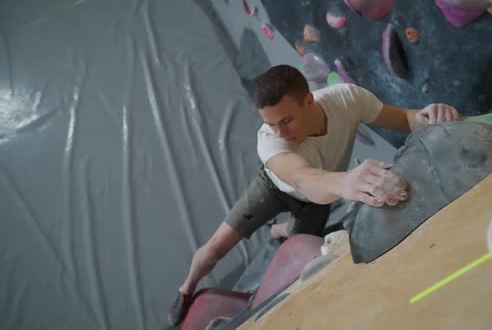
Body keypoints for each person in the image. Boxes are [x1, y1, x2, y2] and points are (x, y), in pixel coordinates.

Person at [168, 65, 461, 326]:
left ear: (309, 100)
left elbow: (405, 119)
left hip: (320, 195)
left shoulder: (347, 98)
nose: (280, 132)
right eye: (271, 124)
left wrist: (429, 115)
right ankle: (185, 290)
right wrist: (346, 182)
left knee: (299, 256)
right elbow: (303, 178)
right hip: (276, 190)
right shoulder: (269, 142)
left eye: (286, 121)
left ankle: (280, 230)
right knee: (213, 250)